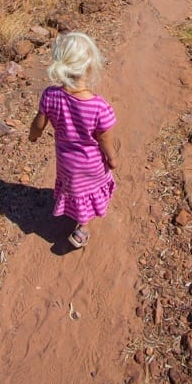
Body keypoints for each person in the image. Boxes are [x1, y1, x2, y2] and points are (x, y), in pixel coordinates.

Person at [28, 31, 117, 248]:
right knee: (87, 192)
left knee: (74, 188)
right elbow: (104, 139)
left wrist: (34, 135)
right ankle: (82, 227)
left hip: (66, 162)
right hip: (90, 164)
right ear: (91, 65)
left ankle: (73, 212)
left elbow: (39, 122)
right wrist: (112, 158)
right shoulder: (99, 107)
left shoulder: (51, 95)